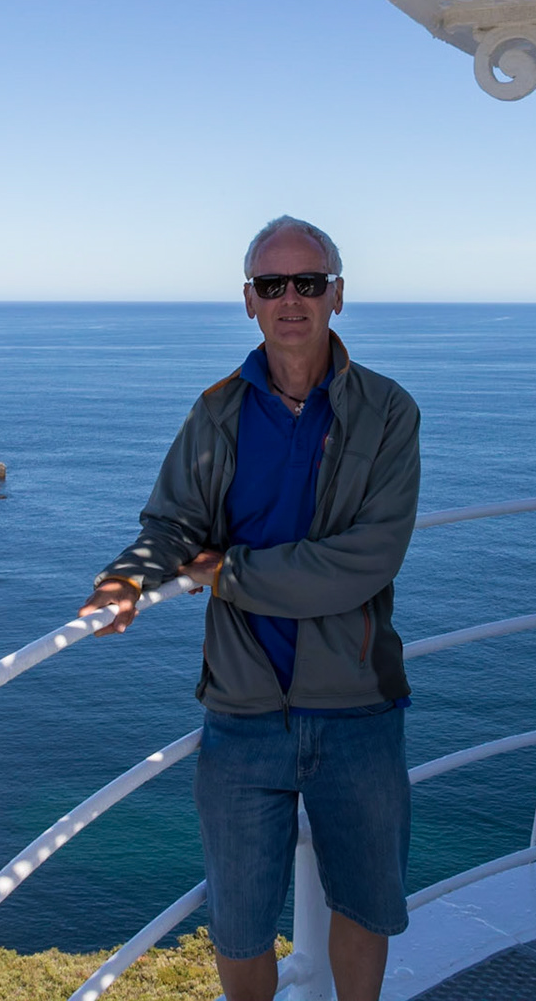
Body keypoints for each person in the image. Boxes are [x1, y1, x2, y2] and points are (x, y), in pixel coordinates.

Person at [78, 215, 421, 1001]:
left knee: (366, 907)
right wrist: (125, 579)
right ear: (248, 301)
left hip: (359, 705)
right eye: (273, 285)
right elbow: (170, 525)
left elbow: (363, 564)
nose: (290, 299)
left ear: (338, 294)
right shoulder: (217, 413)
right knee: (238, 922)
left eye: (308, 282)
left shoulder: (389, 412)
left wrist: (225, 574)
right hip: (242, 711)